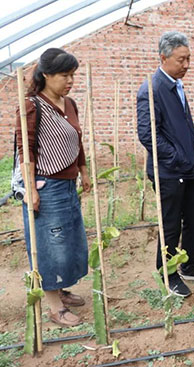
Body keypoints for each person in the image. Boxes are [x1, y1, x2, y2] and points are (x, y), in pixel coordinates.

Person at [16, 48, 91, 327]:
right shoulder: (32, 106)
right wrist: (31, 190)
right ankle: (54, 306)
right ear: (46, 75)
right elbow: (26, 151)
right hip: (47, 185)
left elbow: (77, 141)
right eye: (64, 75)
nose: (70, 80)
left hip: (68, 185)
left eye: (73, 75)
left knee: (70, 241)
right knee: (51, 244)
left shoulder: (69, 104)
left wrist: (83, 172)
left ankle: (60, 289)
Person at [137, 31, 194, 298]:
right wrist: (177, 157)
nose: (187, 65)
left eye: (189, 58)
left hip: (187, 168)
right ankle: (167, 273)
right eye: (182, 59)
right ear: (164, 57)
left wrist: (193, 154)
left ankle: (190, 265)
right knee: (170, 224)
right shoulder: (152, 89)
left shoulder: (176, 85)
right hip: (169, 172)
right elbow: (147, 134)